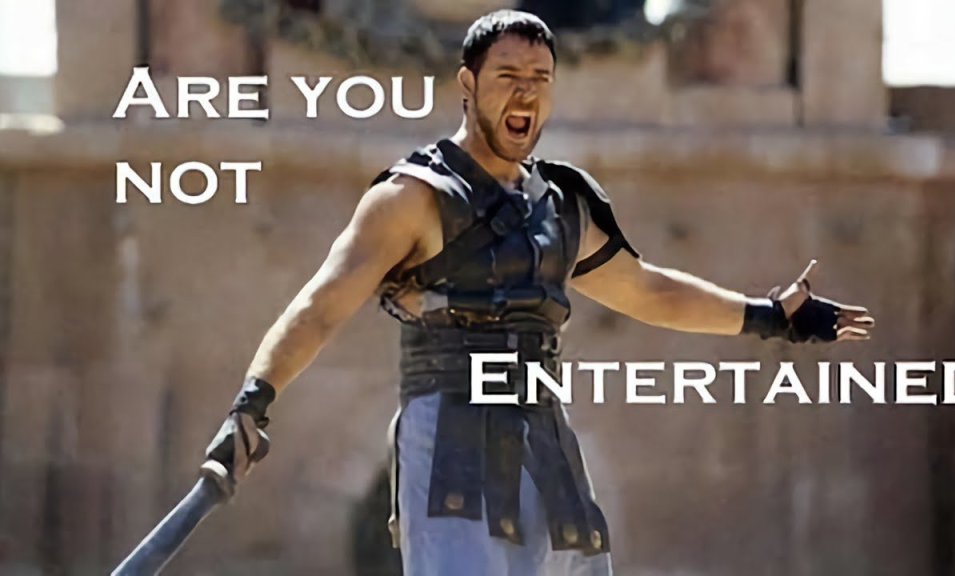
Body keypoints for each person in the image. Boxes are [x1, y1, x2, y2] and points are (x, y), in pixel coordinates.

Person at [204, 10, 875, 576]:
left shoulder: (560, 205)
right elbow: (322, 305)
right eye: (508, 78)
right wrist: (253, 402)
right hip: (452, 444)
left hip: (545, 442)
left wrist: (770, 316)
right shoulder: (411, 198)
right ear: (468, 85)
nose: (524, 95)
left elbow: (647, 290)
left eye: (539, 80)